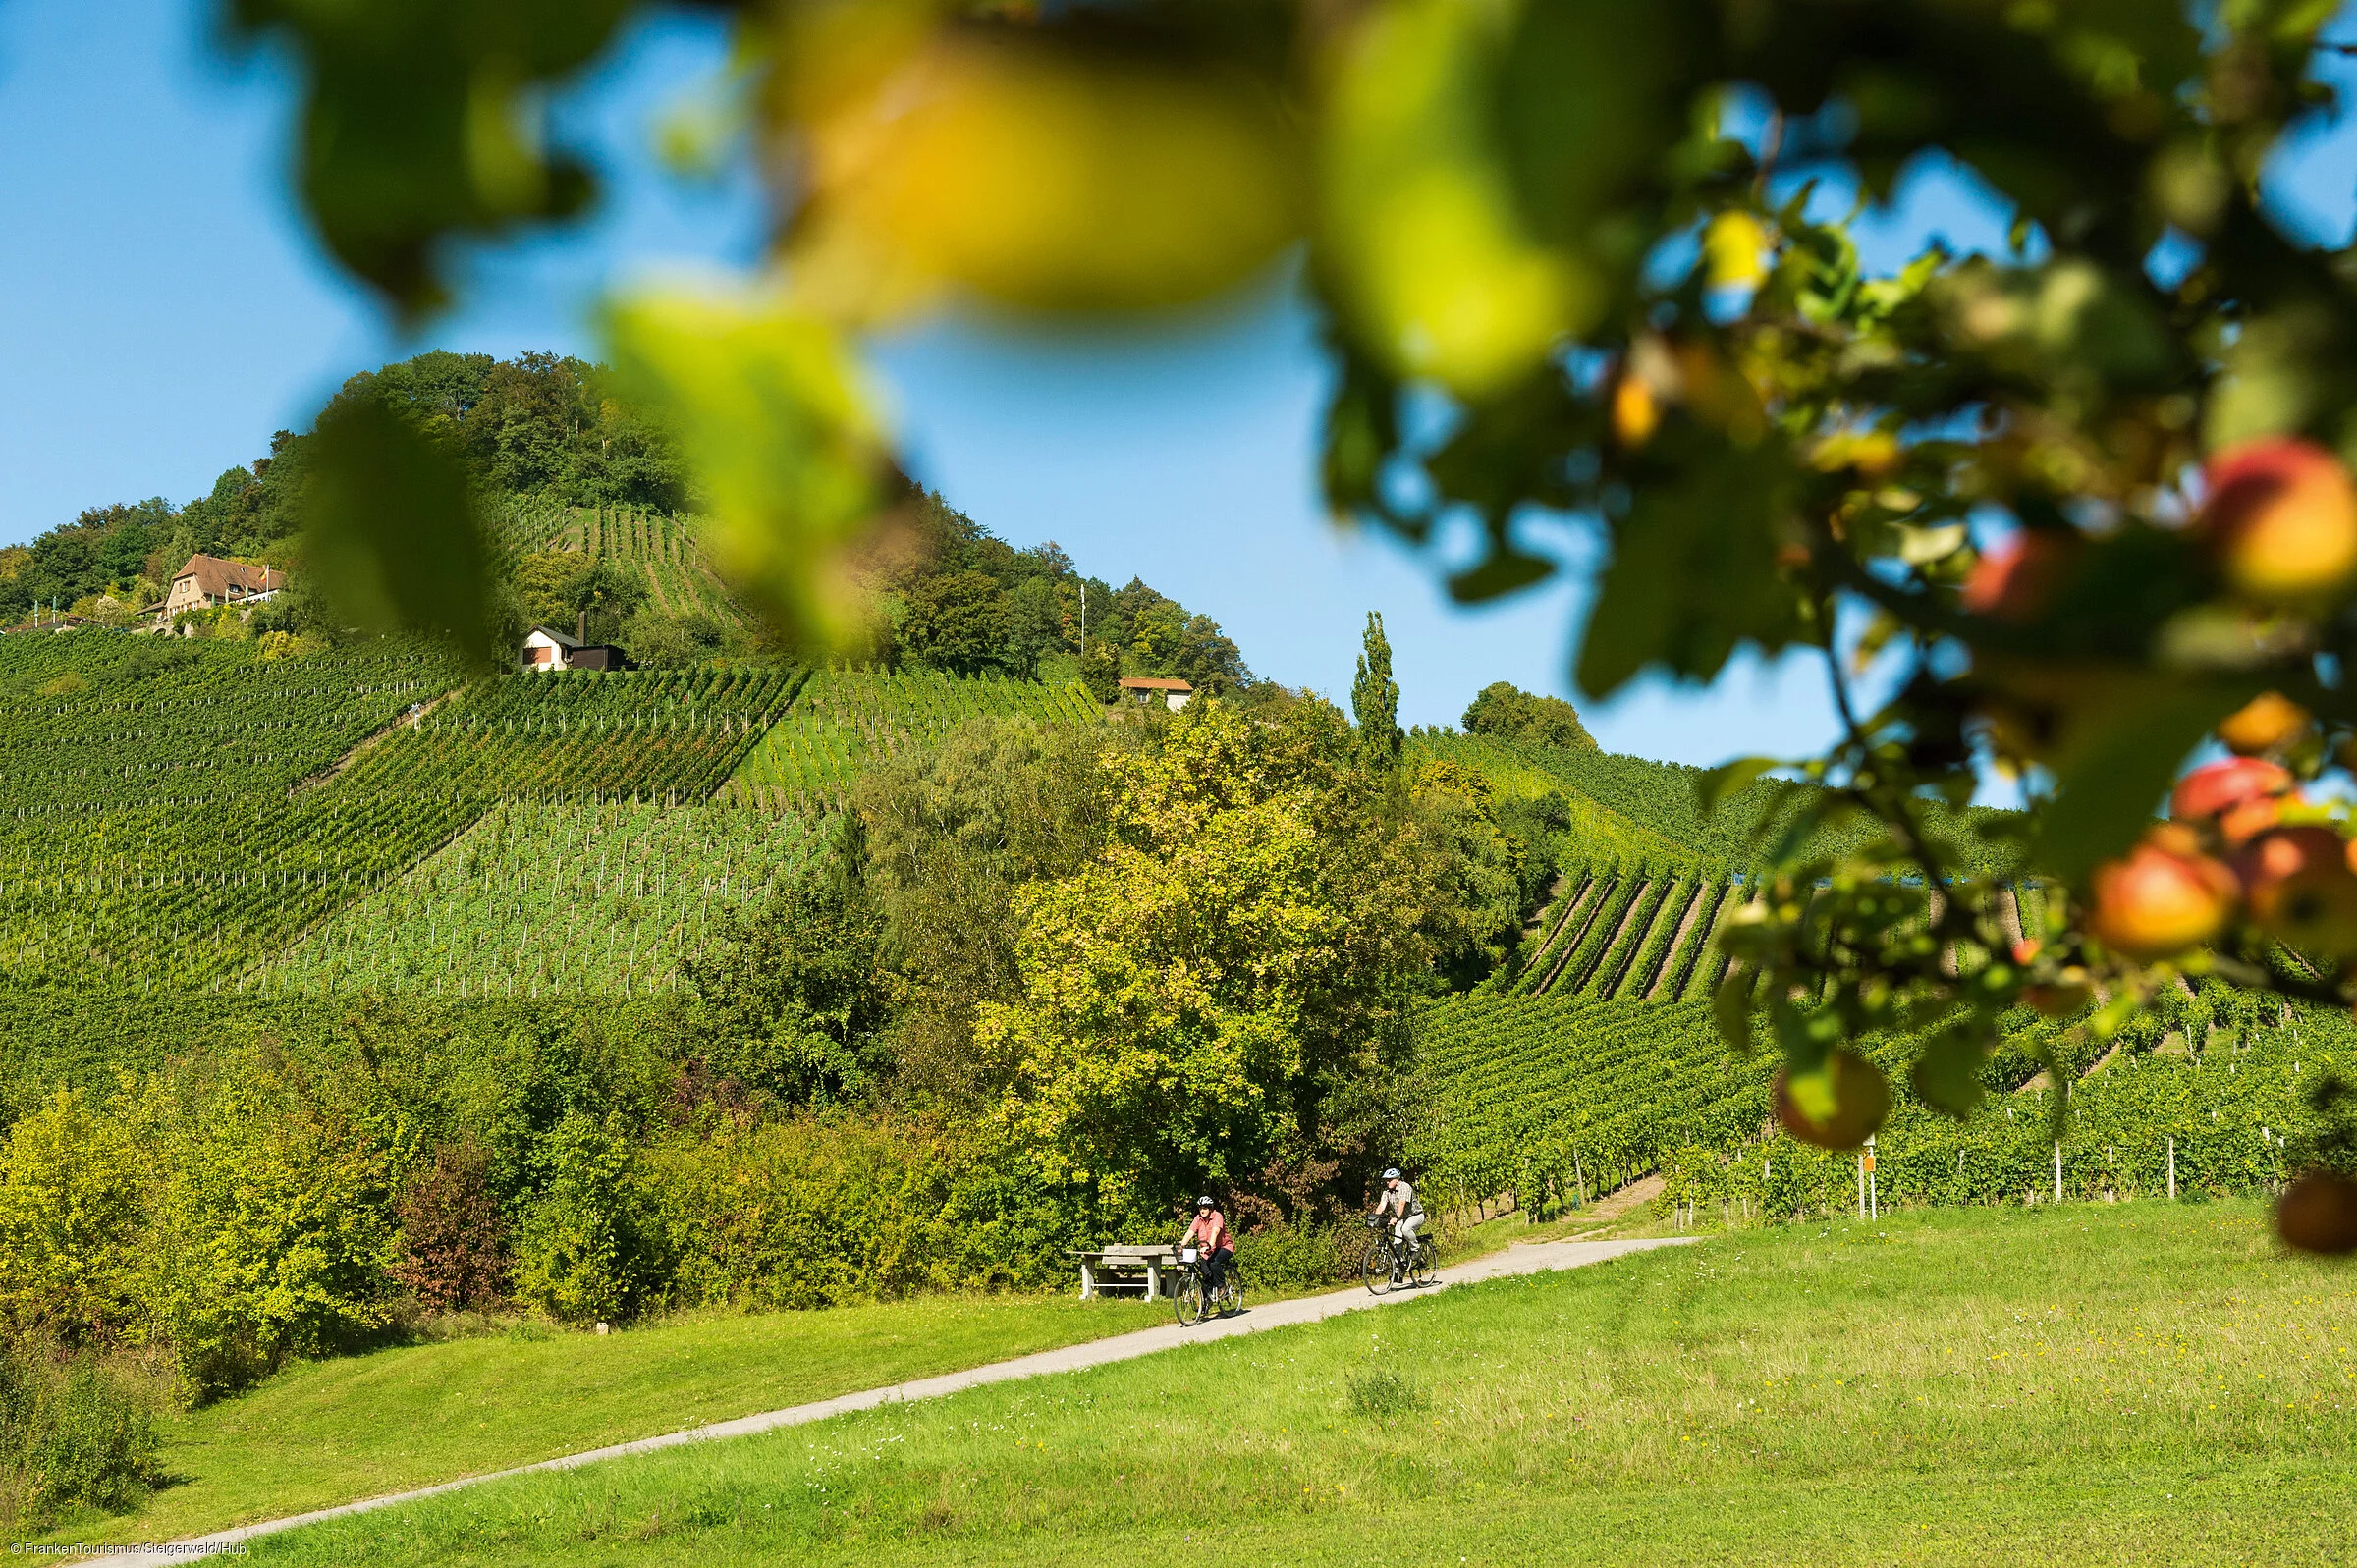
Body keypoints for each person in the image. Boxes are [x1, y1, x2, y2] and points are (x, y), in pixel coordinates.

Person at [1181, 1196, 1234, 1299]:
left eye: (1205, 1208)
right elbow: (1190, 1232)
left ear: (1210, 1209)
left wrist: (1209, 1245)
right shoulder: (1198, 1219)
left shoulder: (1217, 1216)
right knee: (1204, 1272)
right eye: (1201, 1208)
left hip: (1224, 1247)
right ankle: (1206, 1301)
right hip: (1208, 1251)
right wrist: (1182, 1245)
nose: (1202, 1210)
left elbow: (1215, 1232)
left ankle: (1221, 1285)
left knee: (1214, 1262)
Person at [1375, 1167, 1424, 1273]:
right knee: (1397, 1242)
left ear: (1397, 1179)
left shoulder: (1405, 1187)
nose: (1387, 1182)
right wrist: (1375, 1218)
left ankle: (1416, 1249)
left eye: (1389, 1179)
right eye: (1386, 1180)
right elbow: (1382, 1205)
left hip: (1416, 1215)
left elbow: (1402, 1204)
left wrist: (1396, 1218)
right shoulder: (1386, 1192)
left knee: (1406, 1229)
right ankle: (1400, 1267)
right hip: (1401, 1218)